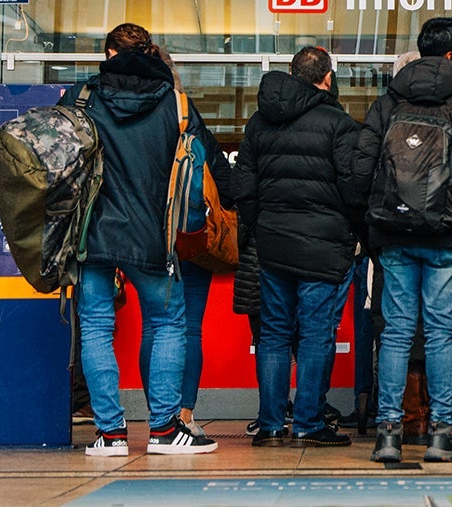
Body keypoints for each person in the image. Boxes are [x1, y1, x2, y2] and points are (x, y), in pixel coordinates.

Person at [356, 17, 452, 464]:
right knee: (441, 333)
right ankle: (441, 435)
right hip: (449, 234)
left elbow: (360, 169)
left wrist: (372, 225)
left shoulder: (388, 101)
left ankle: (388, 435)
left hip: (394, 233)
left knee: (397, 331)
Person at [77, 23, 220, 455]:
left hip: (92, 234)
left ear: (109, 54)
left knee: (96, 326)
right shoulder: (176, 104)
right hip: (152, 236)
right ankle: (163, 430)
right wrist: (188, 230)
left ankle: (110, 434)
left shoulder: (82, 98)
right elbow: (199, 168)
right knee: (168, 323)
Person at [233, 45, 363, 448]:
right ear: (327, 78)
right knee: (315, 334)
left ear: (292, 74)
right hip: (323, 246)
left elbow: (244, 186)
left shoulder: (259, 121)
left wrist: (260, 225)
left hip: (272, 243)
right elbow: (353, 187)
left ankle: (271, 424)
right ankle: (308, 422)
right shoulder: (338, 123)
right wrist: (353, 232)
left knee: (273, 333)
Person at [136, 47, 234, 440]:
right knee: (188, 328)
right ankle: (184, 415)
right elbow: (219, 173)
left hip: (144, 235)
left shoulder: (122, 115)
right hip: (189, 234)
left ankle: (159, 415)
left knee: (152, 327)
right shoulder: (182, 111)